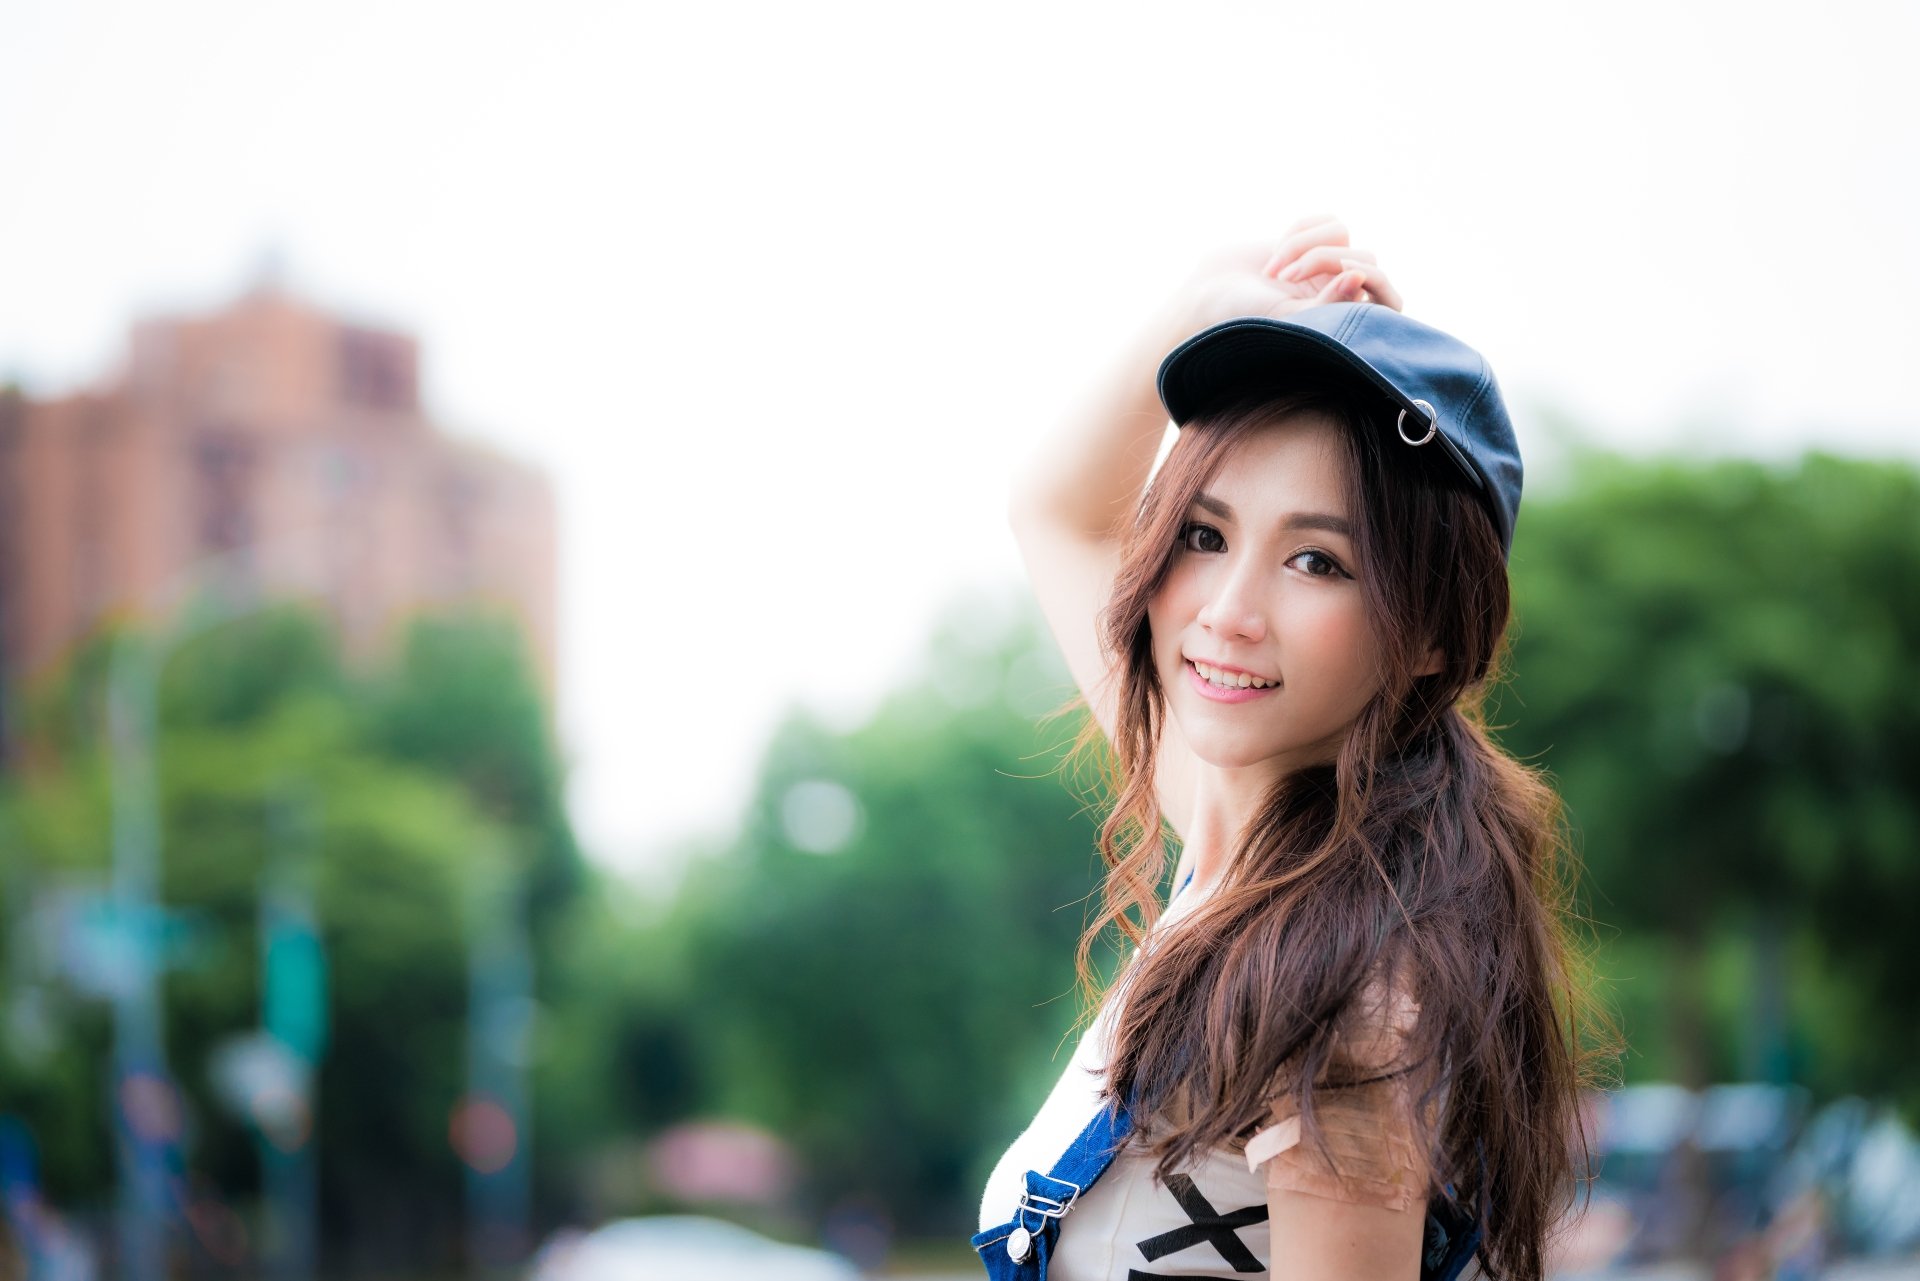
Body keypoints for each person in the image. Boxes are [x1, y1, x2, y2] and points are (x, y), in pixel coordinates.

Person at [974, 216, 1612, 1281]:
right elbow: (1059, 510)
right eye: (1205, 534)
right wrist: (1205, 303)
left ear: (1432, 635)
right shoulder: (1233, 838)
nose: (1228, 611)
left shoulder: (1357, 1001)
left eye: (1317, 562)